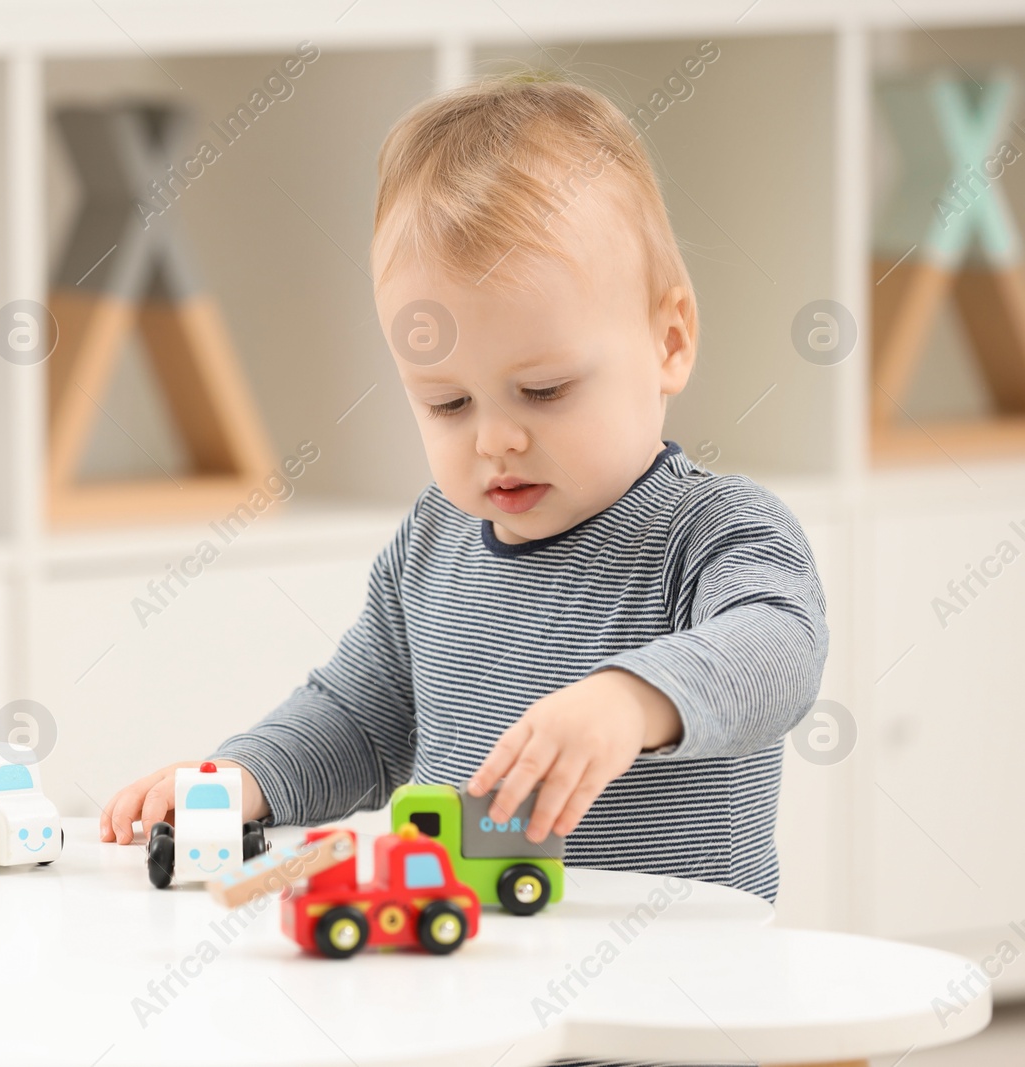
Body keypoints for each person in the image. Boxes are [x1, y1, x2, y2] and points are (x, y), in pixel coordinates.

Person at [100, 74, 828, 1031]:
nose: (494, 440)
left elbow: (779, 649)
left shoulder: (717, 530)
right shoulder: (433, 542)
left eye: (544, 390)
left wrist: (633, 698)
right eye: (447, 404)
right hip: (463, 988)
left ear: (670, 341)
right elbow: (357, 717)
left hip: (676, 1005)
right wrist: (247, 780)